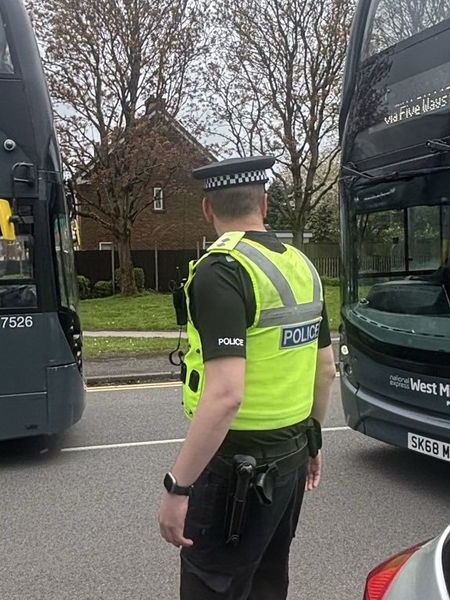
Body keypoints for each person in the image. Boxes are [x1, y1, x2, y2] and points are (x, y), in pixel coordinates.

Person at [158, 156, 337, 599]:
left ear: (207, 209)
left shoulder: (223, 269)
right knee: (267, 582)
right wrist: (312, 442)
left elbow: (225, 394)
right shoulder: (303, 267)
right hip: (291, 458)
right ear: (264, 202)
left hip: (236, 467)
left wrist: (178, 487)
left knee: (212, 584)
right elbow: (326, 368)